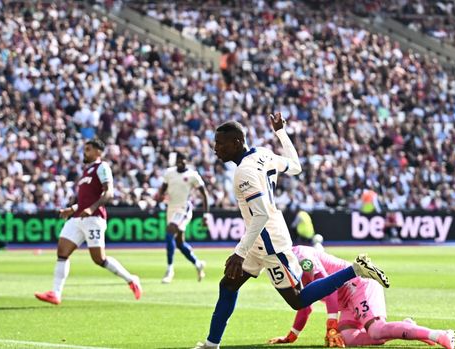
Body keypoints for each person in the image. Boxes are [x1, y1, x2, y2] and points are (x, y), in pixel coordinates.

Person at [193, 114, 389, 349]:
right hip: (260, 238)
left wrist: (239, 252)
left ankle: (355, 269)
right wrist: (281, 133)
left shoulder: (243, 172)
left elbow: (261, 213)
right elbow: (295, 166)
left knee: (298, 300)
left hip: (270, 243)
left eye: (220, 143)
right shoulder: (263, 154)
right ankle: (211, 343)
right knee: (228, 285)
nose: (215, 149)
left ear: (236, 143)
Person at [268, 245, 455, 349]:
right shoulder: (285, 268)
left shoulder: (302, 257)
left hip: (358, 285)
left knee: (376, 331)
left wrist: (331, 323)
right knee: (349, 339)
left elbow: (329, 287)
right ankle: (408, 327)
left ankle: (440, 335)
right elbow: (304, 304)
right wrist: (291, 336)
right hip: (346, 301)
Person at [35, 139, 142, 305]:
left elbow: (108, 193)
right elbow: (86, 199)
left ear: (98, 152)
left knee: (99, 259)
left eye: (88, 149)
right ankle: (55, 293)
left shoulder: (102, 167)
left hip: (94, 218)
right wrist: (72, 209)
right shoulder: (86, 172)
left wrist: (91, 209)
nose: (84, 152)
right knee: (62, 252)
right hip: (78, 217)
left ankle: (131, 279)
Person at [157, 151, 209, 283]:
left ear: (186, 160)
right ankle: (198, 264)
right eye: (178, 159)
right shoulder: (169, 173)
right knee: (179, 243)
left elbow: (204, 194)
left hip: (183, 209)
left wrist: (206, 214)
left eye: (182, 159)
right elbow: (162, 190)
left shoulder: (192, 175)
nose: (180, 161)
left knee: (169, 233)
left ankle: (169, 270)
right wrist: (160, 196)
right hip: (171, 208)